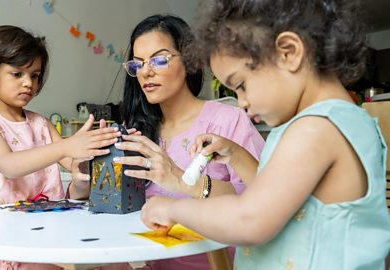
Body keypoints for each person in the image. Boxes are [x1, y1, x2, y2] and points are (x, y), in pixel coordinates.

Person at [140, 1, 390, 269]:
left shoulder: (316, 128)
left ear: (288, 53)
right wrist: (235, 153)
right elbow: (275, 191)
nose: (242, 102)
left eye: (241, 85)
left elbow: (250, 219)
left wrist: (172, 209)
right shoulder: (329, 122)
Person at [0, 25, 120, 270]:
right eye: (18, 74)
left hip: (43, 235)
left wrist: (91, 153)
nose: (29, 83)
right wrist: (69, 145)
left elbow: (75, 168)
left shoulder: (40, 123)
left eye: (35, 75)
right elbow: (8, 165)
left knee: (113, 263)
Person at [102, 14, 265, 270]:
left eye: (159, 59)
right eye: (138, 63)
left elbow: (259, 199)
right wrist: (86, 180)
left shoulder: (227, 121)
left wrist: (179, 178)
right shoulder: (138, 132)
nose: (146, 71)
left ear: (189, 61)